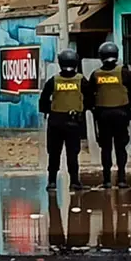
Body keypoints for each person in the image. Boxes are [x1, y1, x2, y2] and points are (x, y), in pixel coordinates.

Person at [38, 49, 93, 191]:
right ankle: (74, 182)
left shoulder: (53, 80)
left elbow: (43, 100)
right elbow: (90, 99)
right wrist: (82, 109)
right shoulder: (81, 80)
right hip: (73, 121)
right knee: (72, 153)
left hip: (55, 121)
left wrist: (50, 110)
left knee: (54, 153)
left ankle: (52, 182)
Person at [89, 42, 131, 189]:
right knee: (121, 148)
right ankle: (121, 179)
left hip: (103, 116)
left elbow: (89, 95)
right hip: (121, 114)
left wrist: (94, 110)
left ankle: (107, 180)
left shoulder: (96, 74)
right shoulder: (124, 72)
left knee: (106, 148)